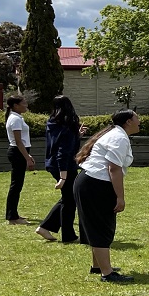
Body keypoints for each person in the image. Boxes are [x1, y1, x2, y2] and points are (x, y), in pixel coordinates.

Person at [73, 110, 140, 282]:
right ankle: (107, 273)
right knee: (101, 228)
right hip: (95, 184)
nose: (139, 121)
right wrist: (120, 197)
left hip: (89, 182)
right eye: (136, 118)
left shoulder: (116, 134)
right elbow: (114, 169)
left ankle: (99, 266)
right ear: (128, 121)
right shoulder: (119, 138)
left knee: (96, 226)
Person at [35, 95, 89, 243]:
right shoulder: (68, 125)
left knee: (68, 198)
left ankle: (48, 228)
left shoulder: (52, 122)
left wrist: (77, 135)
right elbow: (63, 152)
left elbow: (60, 143)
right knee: (69, 200)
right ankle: (66, 234)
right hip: (64, 166)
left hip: (53, 164)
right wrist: (63, 177)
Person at [4, 94, 35, 224]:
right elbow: (18, 141)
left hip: (20, 152)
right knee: (16, 185)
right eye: (23, 103)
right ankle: (12, 217)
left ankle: (14, 214)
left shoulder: (17, 118)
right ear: (16, 106)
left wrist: (27, 155)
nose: (26, 105)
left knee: (17, 185)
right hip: (17, 153)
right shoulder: (15, 119)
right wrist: (27, 158)